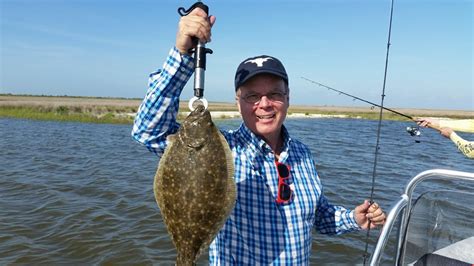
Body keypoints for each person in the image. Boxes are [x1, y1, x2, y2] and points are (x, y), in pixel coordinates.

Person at [131, 7, 386, 264]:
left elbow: (318, 216)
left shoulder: (302, 153)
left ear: (287, 98)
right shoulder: (224, 150)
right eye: (252, 96)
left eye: (274, 94)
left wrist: (353, 218)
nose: (264, 104)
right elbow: (147, 131)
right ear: (237, 102)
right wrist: (183, 55)